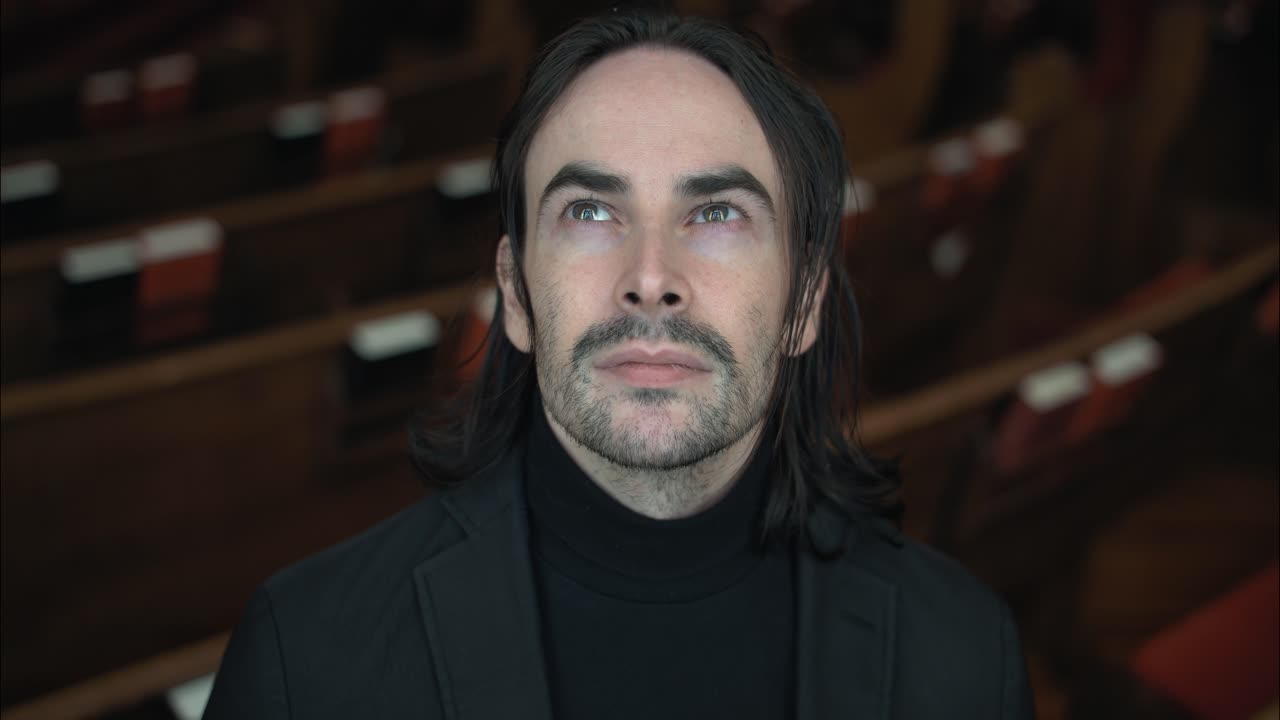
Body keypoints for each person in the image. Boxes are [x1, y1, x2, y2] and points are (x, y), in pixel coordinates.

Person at [204, 10, 1035, 719]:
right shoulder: (303, 662)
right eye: (591, 212)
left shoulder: (964, 656)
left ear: (804, 302)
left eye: (716, 213)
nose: (650, 278)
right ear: (516, 296)